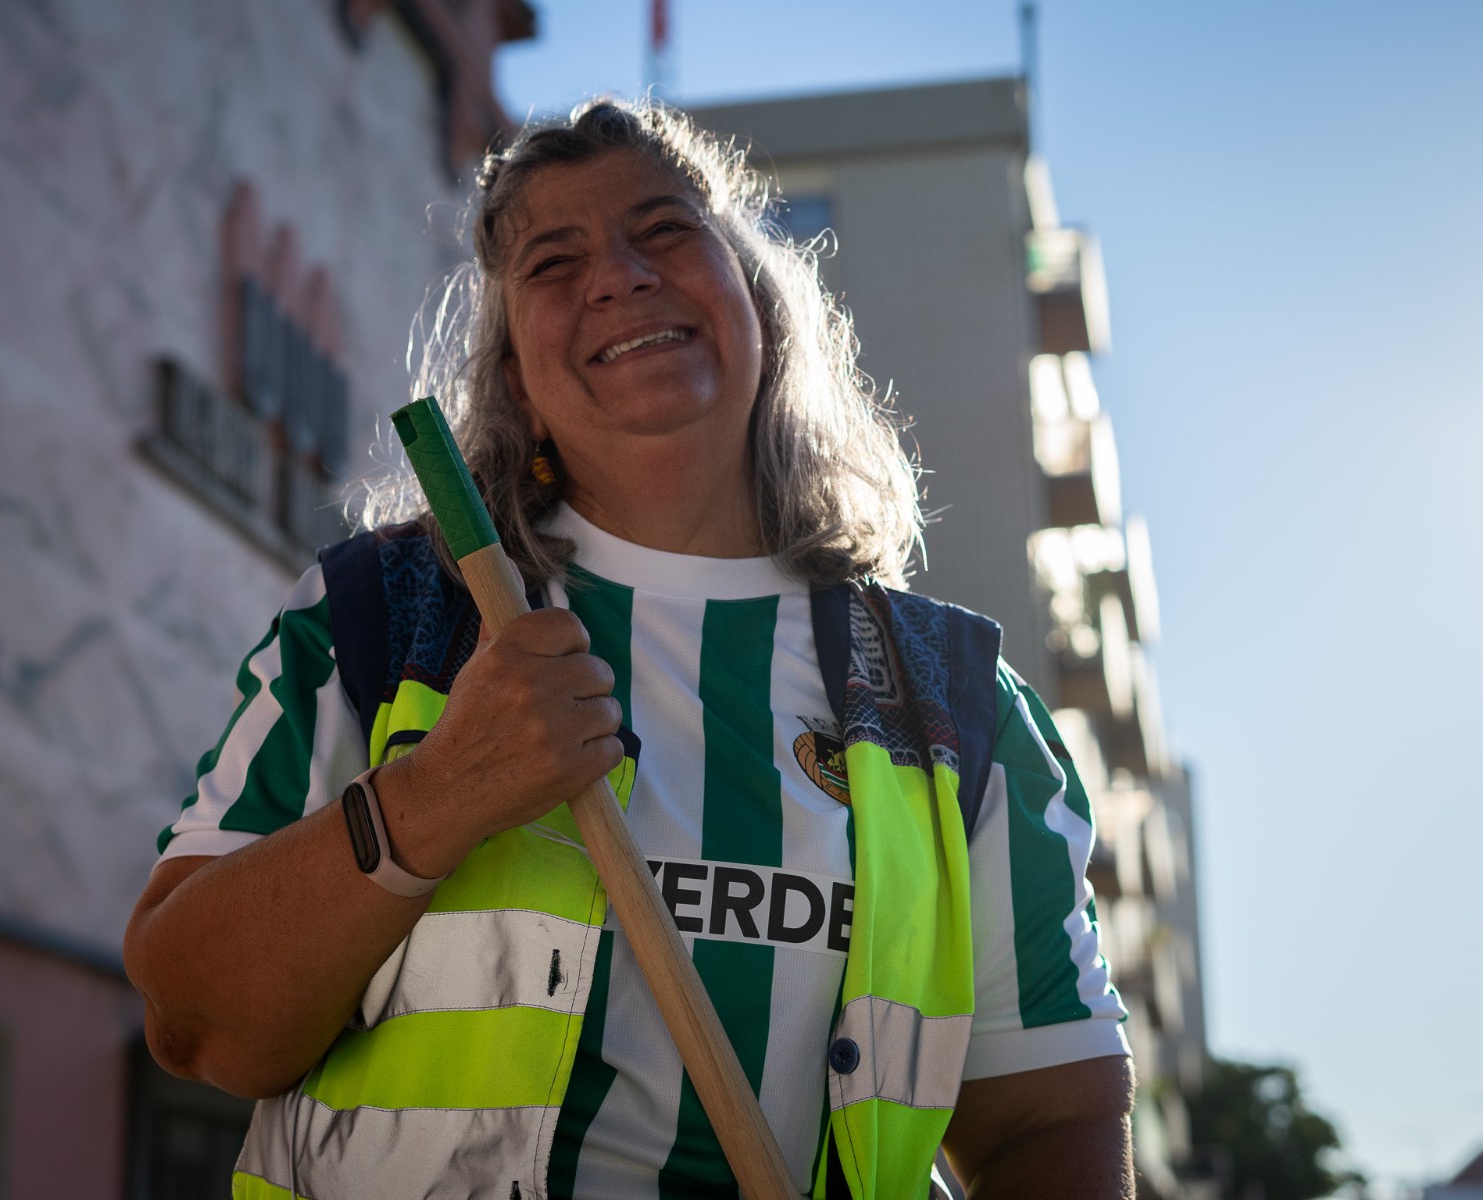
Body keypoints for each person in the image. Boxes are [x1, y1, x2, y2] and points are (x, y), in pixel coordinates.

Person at [124, 98, 1135, 1199]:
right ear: (514, 377)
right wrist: (434, 796)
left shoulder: (952, 702)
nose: (616, 275)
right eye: (552, 261)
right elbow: (198, 1027)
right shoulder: (379, 614)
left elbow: (1051, 1120)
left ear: (758, 302)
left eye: (662, 230)